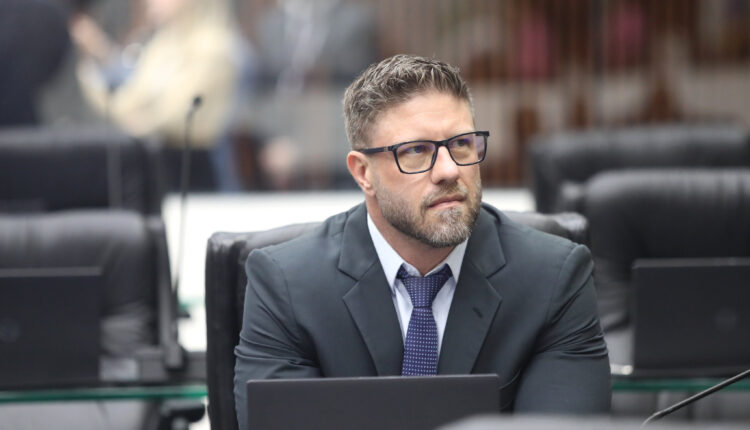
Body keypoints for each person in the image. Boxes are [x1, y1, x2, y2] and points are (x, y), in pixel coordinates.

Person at [234, 55, 610, 429]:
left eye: (461, 143)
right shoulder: (287, 285)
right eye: (416, 150)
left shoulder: (552, 278)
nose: (449, 170)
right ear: (363, 172)